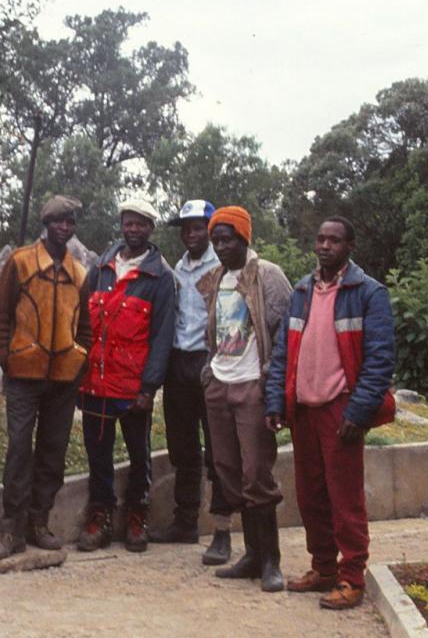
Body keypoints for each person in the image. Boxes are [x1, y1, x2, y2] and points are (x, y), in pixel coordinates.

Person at [265, 215, 396, 610]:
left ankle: (352, 576)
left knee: (345, 498)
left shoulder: (369, 293)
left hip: (341, 409)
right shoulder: (302, 290)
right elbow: (283, 352)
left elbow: (380, 359)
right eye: (320, 239)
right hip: (303, 409)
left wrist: (358, 411)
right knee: (311, 496)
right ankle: (322, 568)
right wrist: (276, 400)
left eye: (334, 240)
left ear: (349, 247)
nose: (325, 246)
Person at [0, 195, 91, 560]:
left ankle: (38, 521)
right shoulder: (21, 261)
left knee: (53, 451)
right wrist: (7, 358)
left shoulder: (79, 273)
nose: (64, 228)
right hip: (23, 373)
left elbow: (87, 327)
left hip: (63, 377)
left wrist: (79, 361)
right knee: (19, 449)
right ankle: (10, 527)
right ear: (46, 224)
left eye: (70, 222)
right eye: (58, 221)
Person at [196, 206, 292, 591]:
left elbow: (285, 331)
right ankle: (252, 556)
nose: (220, 246)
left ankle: (271, 560)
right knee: (228, 468)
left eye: (227, 238)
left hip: (253, 383)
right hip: (220, 382)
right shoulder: (215, 278)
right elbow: (214, 329)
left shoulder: (267, 275)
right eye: (215, 240)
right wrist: (209, 372)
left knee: (257, 472)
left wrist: (275, 388)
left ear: (244, 237)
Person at [76, 198, 176, 553]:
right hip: (95, 384)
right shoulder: (101, 268)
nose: (133, 230)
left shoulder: (161, 278)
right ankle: (100, 516)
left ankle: (138, 515)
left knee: (138, 454)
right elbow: (82, 322)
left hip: (133, 388)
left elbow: (162, 337)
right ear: (121, 225)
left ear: (151, 228)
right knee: (97, 452)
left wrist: (149, 387)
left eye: (141, 224)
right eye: (128, 223)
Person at [148, 199, 236, 567]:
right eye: (186, 228)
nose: (191, 234)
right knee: (183, 448)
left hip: (211, 362)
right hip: (179, 362)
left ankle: (222, 530)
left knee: (219, 450)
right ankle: (184, 521)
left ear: (210, 230)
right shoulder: (178, 269)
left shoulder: (226, 267)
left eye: (198, 227)